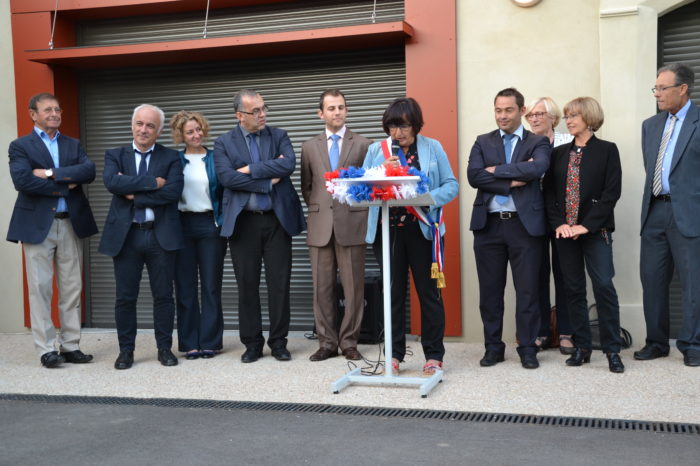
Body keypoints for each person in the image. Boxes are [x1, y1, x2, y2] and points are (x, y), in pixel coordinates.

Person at [363, 97, 458, 376]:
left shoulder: (432, 148)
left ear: (415, 125)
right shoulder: (375, 150)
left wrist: (425, 197)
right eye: (392, 127)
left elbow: (451, 185)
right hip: (387, 230)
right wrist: (381, 171)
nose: (398, 133)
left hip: (423, 230)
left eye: (404, 126)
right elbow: (364, 188)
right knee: (391, 294)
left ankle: (433, 355)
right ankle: (394, 355)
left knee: (429, 294)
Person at [7, 92, 98, 368]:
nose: (55, 114)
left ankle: (71, 345)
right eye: (48, 110)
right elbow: (23, 181)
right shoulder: (20, 145)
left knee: (72, 287)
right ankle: (46, 349)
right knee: (40, 288)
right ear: (33, 114)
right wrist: (65, 183)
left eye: (57, 109)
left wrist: (48, 173)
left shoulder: (73, 144)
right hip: (37, 226)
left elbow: (88, 172)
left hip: (71, 221)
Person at [214, 89, 305, 363]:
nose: (263, 114)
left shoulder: (279, 136)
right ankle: (252, 343)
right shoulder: (224, 143)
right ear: (239, 116)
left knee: (279, 284)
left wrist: (250, 170)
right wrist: (267, 179)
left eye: (264, 108)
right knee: (247, 284)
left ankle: (278, 343)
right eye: (256, 111)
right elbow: (227, 178)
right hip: (243, 224)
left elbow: (287, 164)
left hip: (276, 220)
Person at [467, 87, 551, 370]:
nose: (502, 116)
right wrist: (514, 177)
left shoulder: (537, 142)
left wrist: (496, 170)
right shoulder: (482, 141)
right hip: (488, 226)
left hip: (524, 227)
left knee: (528, 291)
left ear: (522, 111)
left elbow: (537, 168)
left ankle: (528, 347)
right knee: (490, 292)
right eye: (498, 110)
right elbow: (474, 176)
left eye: (508, 110)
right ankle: (493, 348)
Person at [99, 104, 184, 370]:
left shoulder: (170, 157)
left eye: (150, 125)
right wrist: (153, 183)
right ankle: (126, 351)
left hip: (160, 236)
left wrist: (133, 190)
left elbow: (172, 192)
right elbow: (112, 183)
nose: (143, 130)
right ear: (132, 125)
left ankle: (164, 349)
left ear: (158, 131)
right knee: (125, 297)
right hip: (127, 237)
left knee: (163, 296)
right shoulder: (115, 154)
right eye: (139, 123)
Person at [543, 97, 625, 373]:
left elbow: (611, 193)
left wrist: (585, 225)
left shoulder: (607, 151)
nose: (569, 120)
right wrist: (560, 224)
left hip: (595, 231)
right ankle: (582, 348)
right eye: (567, 115)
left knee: (603, 286)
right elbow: (550, 194)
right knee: (573, 290)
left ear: (589, 118)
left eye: (574, 115)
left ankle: (613, 350)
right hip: (564, 233)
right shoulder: (559, 153)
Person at [301, 89, 371, 362]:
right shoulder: (309, 146)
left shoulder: (364, 144)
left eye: (341, 107)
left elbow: (367, 185)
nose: (337, 112)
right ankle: (327, 343)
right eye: (331, 108)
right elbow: (307, 187)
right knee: (322, 288)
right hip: (320, 224)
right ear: (321, 114)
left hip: (352, 222)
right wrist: (321, 209)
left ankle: (349, 342)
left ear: (347, 110)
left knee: (354, 288)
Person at [638, 63, 700, 367]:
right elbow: (651, 167)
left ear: (683, 88)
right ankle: (656, 342)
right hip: (654, 210)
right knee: (652, 279)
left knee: (693, 282)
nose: (657, 94)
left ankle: (692, 344)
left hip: (689, 213)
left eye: (662, 88)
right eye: (656, 88)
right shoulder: (650, 126)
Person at [170, 110, 226, 360]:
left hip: (209, 225)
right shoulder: (175, 160)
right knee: (185, 287)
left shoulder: (215, 158)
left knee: (211, 286)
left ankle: (210, 341)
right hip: (181, 226)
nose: (196, 135)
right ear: (181, 135)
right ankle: (190, 342)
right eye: (190, 131)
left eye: (199, 129)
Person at [524, 97, 575, 355]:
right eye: (530, 115)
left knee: (564, 273)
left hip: (563, 217)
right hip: (533, 215)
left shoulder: (568, 142)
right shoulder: (525, 143)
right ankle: (542, 331)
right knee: (537, 274)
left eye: (539, 114)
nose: (533, 119)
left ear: (553, 117)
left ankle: (566, 331)